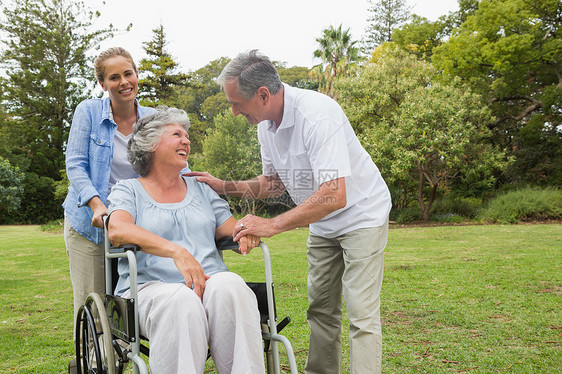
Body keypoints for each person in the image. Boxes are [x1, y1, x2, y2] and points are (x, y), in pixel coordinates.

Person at [187, 49, 392, 374]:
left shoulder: (317, 115)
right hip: (322, 224)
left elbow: (335, 195)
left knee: (361, 312)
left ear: (263, 94)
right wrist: (225, 186)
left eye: (236, 103)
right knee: (321, 311)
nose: (235, 112)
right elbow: (273, 184)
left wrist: (271, 225)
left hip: (361, 216)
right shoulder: (265, 125)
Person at [107, 106, 265, 373]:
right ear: (151, 144)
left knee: (233, 287)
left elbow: (229, 228)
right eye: (176, 134)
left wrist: (247, 229)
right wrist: (175, 252)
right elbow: (118, 230)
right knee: (180, 300)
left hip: (208, 281)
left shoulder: (202, 188)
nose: (186, 140)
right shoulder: (128, 190)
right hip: (151, 288)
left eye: (187, 135)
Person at [62, 47, 188, 372]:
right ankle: (90, 363)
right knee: (96, 307)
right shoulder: (89, 112)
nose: (123, 82)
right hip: (90, 226)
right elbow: (76, 165)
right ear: (103, 83)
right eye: (114, 77)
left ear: (136, 75)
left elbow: (172, 163)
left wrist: (199, 189)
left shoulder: (152, 121)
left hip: (134, 227)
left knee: (127, 303)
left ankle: (122, 358)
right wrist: (96, 202)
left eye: (127, 74)